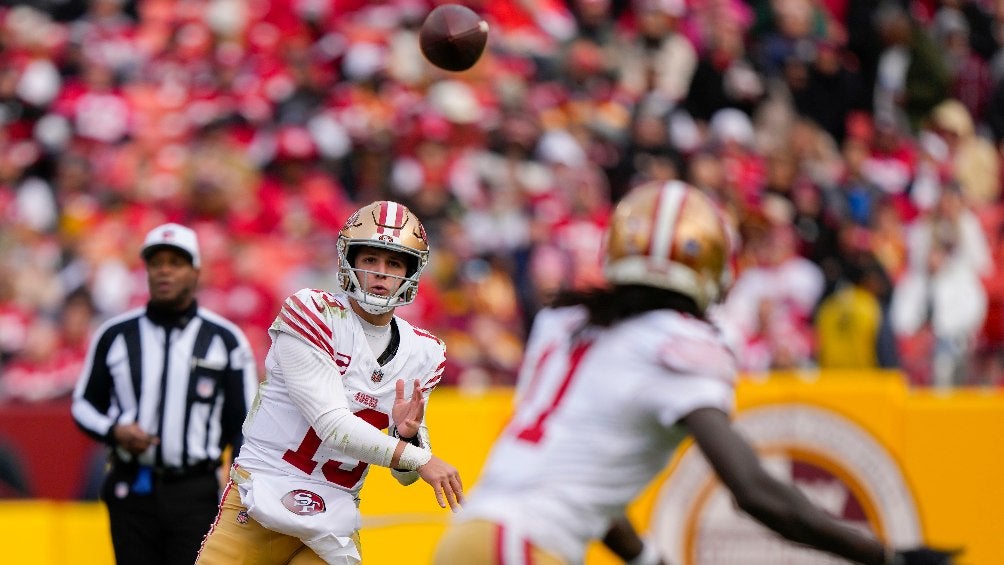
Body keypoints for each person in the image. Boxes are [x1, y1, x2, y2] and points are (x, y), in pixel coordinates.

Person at [433, 180, 958, 565]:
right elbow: (754, 491)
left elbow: (578, 478)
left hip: (470, 540)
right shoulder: (681, 343)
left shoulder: (563, 323)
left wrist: (642, 557)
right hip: (522, 549)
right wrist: (883, 556)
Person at [196, 200, 463, 565]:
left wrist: (405, 437)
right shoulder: (311, 312)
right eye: (370, 260)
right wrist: (420, 458)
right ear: (349, 260)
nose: (381, 273)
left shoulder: (424, 351)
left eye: (394, 263)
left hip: (333, 516)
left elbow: (404, 477)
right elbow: (332, 425)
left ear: (411, 271)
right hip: (261, 497)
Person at [71, 222, 259, 565]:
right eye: (157, 262)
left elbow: (243, 427)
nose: (165, 271)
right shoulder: (115, 335)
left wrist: (238, 497)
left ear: (196, 270)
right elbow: (84, 404)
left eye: (176, 262)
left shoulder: (225, 340)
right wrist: (114, 431)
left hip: (196, 489)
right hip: (131, 486)